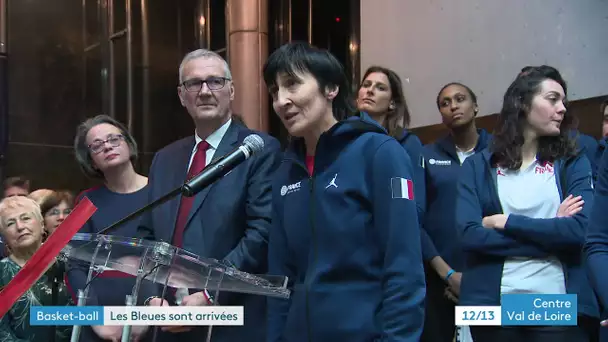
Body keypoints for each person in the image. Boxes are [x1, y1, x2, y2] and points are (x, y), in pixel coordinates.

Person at [264, 42, 425, 342]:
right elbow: (279, 279)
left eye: (292, 85)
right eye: (274, 91)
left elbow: (404, 267)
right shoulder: (285, 171)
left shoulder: (378, 152)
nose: (281, 101)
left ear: (331, 89)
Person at [139, 49, 281, 342]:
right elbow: (147, 235)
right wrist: (152, 298)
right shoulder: (164, 159)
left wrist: (209, 292)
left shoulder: (258, 150)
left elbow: (261, 234)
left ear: (231, 90)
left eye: (215, 81)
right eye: (194, 83)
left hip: (231, 319)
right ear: (181, 95)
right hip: (167, 321)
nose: (205, 91)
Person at [457, 65, 598, 341]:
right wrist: (552, 229)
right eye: (552, 99)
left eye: (564, 102)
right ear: (522, 102)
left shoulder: (573, 161)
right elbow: (469, 236)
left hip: (557, 304)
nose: (562, 109)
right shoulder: (477, 166)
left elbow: (580, 232)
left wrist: (505, 222)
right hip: (491, 306)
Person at [68, 115, 150, 342]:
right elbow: (75, 267)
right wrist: (96, 319)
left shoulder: (162, 192)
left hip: (152, 313)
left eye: (114, 139)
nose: (107, 146)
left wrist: (149, 312)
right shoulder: (86, 202)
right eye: (97, 145)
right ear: (91, 161)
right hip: (100, 320)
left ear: (128, 145)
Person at [420, 81, 491, 342]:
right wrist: (448, 274)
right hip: (441, 282)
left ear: (475, 107)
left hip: (490, 282)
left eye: (460, 99)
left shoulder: (500, 152)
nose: (453, 106)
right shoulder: (426, 155)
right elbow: (415, 220)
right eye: (445, 103)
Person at [356, 65, 426, 224]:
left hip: (395, 228)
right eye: (366, 85)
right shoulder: (344, 140)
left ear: (392, 103)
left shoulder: (407, 143)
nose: (370, 91)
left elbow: (416, 205)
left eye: (380, 88)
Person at [0, 196, 72, 342]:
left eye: (25, 218)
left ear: (41, 224)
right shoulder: (2, 272)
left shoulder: (68, 263)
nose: (20, 226)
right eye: (10, 223)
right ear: (4, 237)